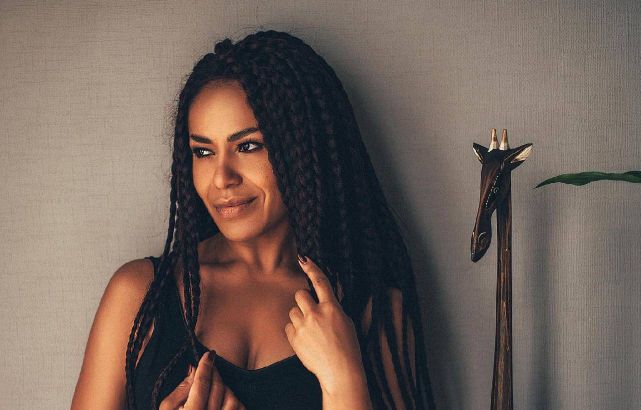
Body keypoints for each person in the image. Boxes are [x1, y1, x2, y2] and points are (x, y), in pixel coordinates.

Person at [71, 30, 436, 410]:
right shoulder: (138, 294)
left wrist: (344, 382)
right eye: (203, 152)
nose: (222, 178)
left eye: (248, 146)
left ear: (302, 149)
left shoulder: (375, 313)